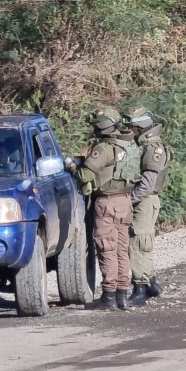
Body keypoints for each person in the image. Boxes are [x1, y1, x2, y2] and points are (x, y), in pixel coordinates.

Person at [67, 107, 142, 310]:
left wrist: (72, 166)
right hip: (125, 201)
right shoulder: (130, 144)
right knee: (120, 250)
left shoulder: (105, 148)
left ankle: (108, 296)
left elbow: (85, 176)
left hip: (107, 202)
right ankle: (121, 294)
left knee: (106, 249)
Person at [124, 107, 171, 306]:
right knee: (143, 242)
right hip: (144, 200)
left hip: (144, 200)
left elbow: (147, 185)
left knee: (138, 243)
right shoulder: (147, 146)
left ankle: (140, 288)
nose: (130, 131)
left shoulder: (153, 149)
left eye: (133, 127)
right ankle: (151, 283)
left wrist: (128, 201)